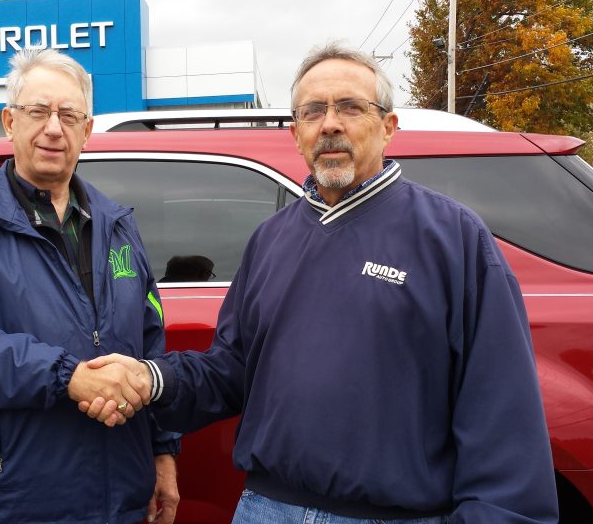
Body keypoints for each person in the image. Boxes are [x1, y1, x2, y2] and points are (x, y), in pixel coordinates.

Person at [82, 42, 558, 523]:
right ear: (296, 134)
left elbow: (503, 415)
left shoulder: (453, 238)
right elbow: (230, 372)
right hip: (264, 509)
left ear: (389, 128)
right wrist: (150, 378)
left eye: (350, 107)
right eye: (314, 111)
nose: (330, 123)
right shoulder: (270, 240)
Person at [0, 48, 180, 524]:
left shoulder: (118, 226)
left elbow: (149, 343)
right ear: (9, 122)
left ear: (87, 130)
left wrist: (162, 451)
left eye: (69, 115)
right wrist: (69, 376)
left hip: (117, 496)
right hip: (11, 502)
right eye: (38, 111)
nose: (54, 128)